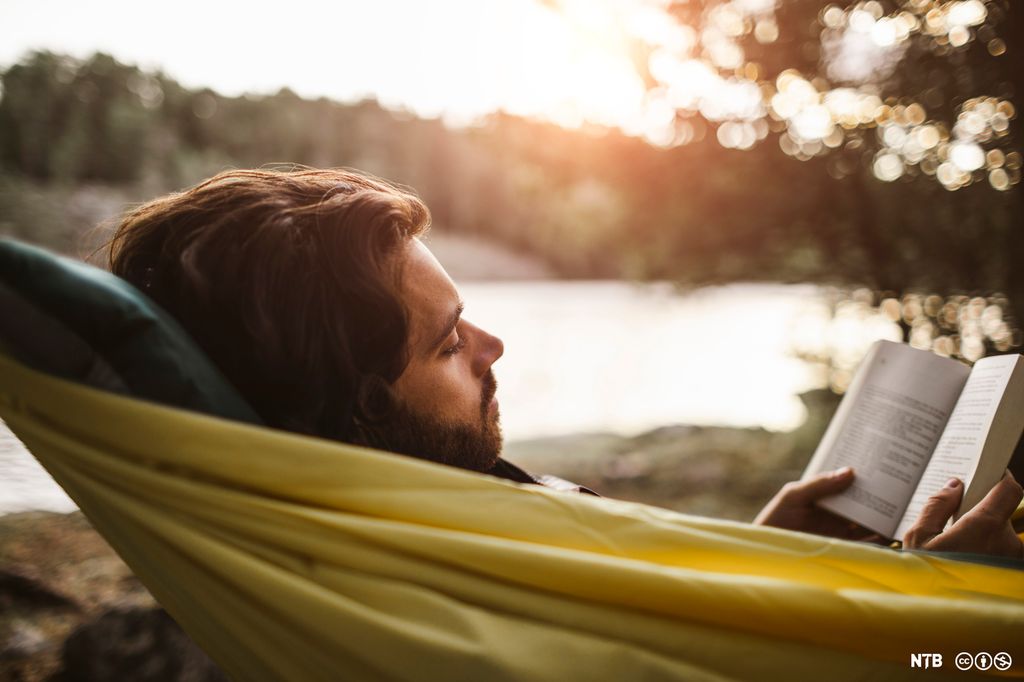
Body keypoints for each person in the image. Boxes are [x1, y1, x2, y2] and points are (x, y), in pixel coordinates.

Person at [106, 167, 1024, 559]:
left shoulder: (426, 523)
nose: (493, 346)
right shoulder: (470, 577)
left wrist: (767, 554)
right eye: (448, 341)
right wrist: (948, 624)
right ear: (356, 409)